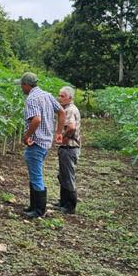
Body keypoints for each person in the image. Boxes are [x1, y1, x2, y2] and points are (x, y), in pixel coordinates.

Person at [17, 72, 65, 219]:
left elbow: (36, 119)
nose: (21, 88)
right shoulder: (46, 95)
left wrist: (26, 136)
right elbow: (61, 112)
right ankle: (34, 206)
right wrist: (58, 132)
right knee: (34, 174)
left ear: (26, 85)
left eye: (21, 85)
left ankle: (39, 210)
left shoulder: (31, 98)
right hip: (45, 142)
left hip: (36, 142)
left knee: (36, 176)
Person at [53, 86, 81, 214]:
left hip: (70, 147)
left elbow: (71, 127)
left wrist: (62, 138)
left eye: (62, 96)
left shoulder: (70, 110)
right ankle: (63, 202)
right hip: (67, 148)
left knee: (68, 176)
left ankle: (69, 206)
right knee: (63, 175)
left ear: (70, 97)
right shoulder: (66, 109)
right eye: (59, 95)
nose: (60, 98)